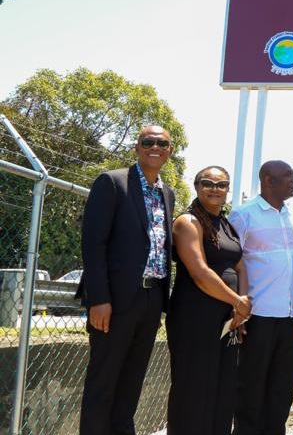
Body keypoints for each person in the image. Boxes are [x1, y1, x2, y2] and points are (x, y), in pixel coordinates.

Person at [78, 125, 177, 435]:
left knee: (132, 383)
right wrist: (99, 298)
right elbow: (94, 244)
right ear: (138, 147)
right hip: (115, 301)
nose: (155, 147)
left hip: (151, 302)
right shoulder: (112, 182)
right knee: (103, 383)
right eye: (148, 141)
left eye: (162, 143)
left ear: (169, 151)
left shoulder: (168, 193)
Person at [167, 166, 252, 435]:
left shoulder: (226, 224)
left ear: (228, 190)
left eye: (221, 184)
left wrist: (243, 306)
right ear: (196, 186)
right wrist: (238, 302)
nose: (214, 188)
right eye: (208, 183)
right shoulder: (187, 222)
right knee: (194, 388)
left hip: (226, 319)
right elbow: (200, 273)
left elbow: (240, 266)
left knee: (222, 389)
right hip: (194, 317)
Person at [229, 160, 293, 435]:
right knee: (250, 386)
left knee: (281, 388)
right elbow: (232, 263)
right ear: (268, 181)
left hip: (290, 316)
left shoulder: (292, 215)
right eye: (288, 176)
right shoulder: (244, 215)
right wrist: (237, 306)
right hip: (257, 315)